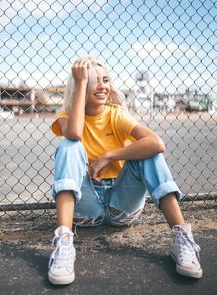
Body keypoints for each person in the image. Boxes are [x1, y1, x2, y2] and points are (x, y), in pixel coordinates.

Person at [48, 56, 203, 285]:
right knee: (69, 147)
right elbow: (74, 134)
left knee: (150, 152)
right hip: (86, 210)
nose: (102, 86)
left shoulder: (116, 113)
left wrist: (109, 156)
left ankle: (182, 238)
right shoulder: (65, 117)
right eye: (93, 80)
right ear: (79, 84)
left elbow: (157, 143)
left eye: (106, 80)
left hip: (121, 205)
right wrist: (81, 82)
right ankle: (63, 243)